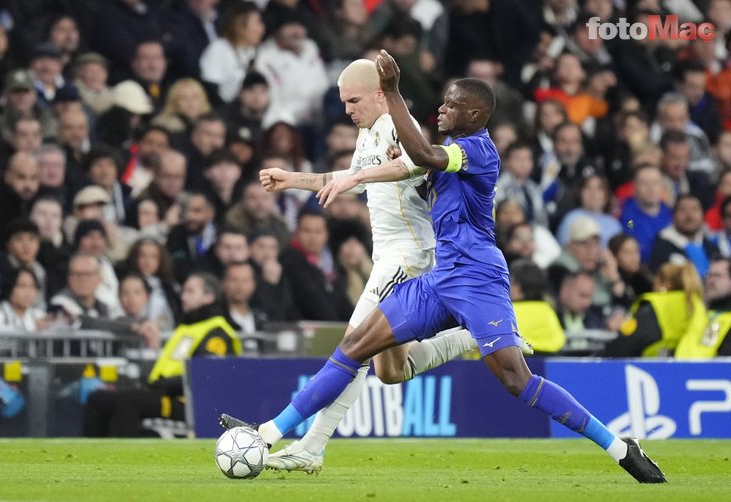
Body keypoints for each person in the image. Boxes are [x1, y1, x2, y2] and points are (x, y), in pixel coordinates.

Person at [225, 51, 666, 483]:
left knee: (517, 381)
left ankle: (619, 446)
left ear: (474, 115)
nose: (441, 108)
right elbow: (419, 173)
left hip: (475, 276)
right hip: (438, 279)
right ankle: (270, 435)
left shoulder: (477, 150)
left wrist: (394, 95)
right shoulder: (439, 149)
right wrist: (306, 179)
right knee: (363, 353)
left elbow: (421, 155)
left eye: (452, 105)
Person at [257, 59, 486, 472]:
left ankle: (308, 445)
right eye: (343, 101)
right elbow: (349, 177)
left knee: (354, 345)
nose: (347, 110)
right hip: (387, 255)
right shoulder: (368, 131)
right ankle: (469, 338)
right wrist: (292, 178)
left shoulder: (400, 124)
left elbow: (415, 164)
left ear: (380, 94)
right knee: (392, 369)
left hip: (409, 256)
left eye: (354, 100)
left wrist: (356, 179)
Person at [83, 272, 241, 437]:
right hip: (165, 393)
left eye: (190, 291)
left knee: (128, 401)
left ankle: (122, 452)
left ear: (209, 297)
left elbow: (205, 377)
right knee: (98, 398)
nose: (183, 297)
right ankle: (93, 452)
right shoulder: (187, 328)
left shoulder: (217, 332)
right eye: (184, 291)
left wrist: (161, 384)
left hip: (188, 403)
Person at [600, 263, 706, 358]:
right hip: (690, 366)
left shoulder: (657, 306)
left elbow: (622, 345)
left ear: (665, 283)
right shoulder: (698, 306)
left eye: (655, 284)